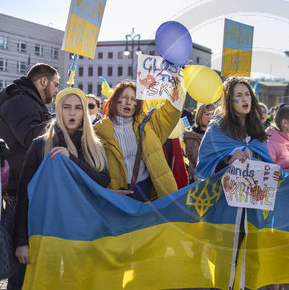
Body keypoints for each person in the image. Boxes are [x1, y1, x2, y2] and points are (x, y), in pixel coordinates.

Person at [13, 88, 110, 280]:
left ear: (84, 111)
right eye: (66, 107)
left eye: (77, 108)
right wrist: (21, 241)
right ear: (58, 110)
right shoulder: (40, 145)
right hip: (47, 234)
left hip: (84, 234)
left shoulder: (95, 146)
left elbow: (102, 182)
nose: (72, 113)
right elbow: (25, 196)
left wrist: (72, 160)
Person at [0, 63, 59, 289]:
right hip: (20, 191)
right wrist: (61, 120)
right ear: (43, 81)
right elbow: (31, 136)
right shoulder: (19, 101)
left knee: (30, 260)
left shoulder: (27, 100)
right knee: (22, 261)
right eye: (55, 85)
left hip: (30, 187)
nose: (55, 91)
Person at [94, 81, 183, 201]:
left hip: (146, 191)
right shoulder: (98, 130)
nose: (129, 102)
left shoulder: (149, 123)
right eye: (124, 97)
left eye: (134, 99)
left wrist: (178, 84)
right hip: (116, 194)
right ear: (114, 100)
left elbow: (171, 111)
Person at [195, 77, 271, 180]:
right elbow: (205, 166)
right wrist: (228, 161)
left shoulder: (257, 127)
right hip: (224, 192)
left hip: (254, 192)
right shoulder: (217, 129)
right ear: (229, 101)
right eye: (239, 95)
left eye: (247, 94)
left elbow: (268, 167)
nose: (244, 98)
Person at [183, 103, 215, 182]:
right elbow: (197, 160)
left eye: (213, 114)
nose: (211, 117)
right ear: (200, 116)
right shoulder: (191, 136)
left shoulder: (218, 134)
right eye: (207, 114)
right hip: (198, 181)